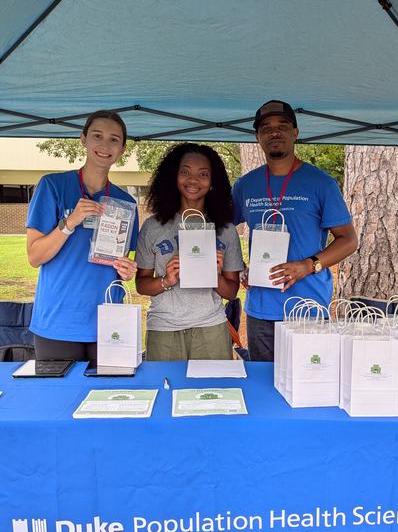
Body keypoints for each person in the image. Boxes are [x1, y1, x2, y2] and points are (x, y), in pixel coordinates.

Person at [232, 100, 357, 361]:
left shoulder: (321, 184)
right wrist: (238, 265)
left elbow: (348, 240)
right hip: (261, 309)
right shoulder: (246, 185)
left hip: (306, 309)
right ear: (258, 137)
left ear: (295, 133)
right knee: (263, 386)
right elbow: (223, 229)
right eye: (266, 128)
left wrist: (308, 265)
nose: (274, 132)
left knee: (309, 387)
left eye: (282, 126)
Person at [26, 110, 139, 360]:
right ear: (83, 139)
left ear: (122, 149)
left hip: (109, 322)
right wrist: (69, 223)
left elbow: (121, 264)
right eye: (97, 136)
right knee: (60, 398)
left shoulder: (125, 202)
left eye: (114, 139)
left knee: (109, 398)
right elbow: (34, 256)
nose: (104, 145)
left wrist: (127, 270)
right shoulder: (53, 186)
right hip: (59, 322)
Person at [135, 143, 244, 360]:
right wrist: (167, 280)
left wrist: (215, 277)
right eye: (185, 172)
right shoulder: (153, 226)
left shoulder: (226, 230)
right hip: (164, 329)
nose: (193, 180)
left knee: (213, 394)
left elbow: (231, 292)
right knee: (165, 392)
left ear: (213, 182)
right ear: (173, 177)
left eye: (203, 174)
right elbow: (141, 284)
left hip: (211, 329)